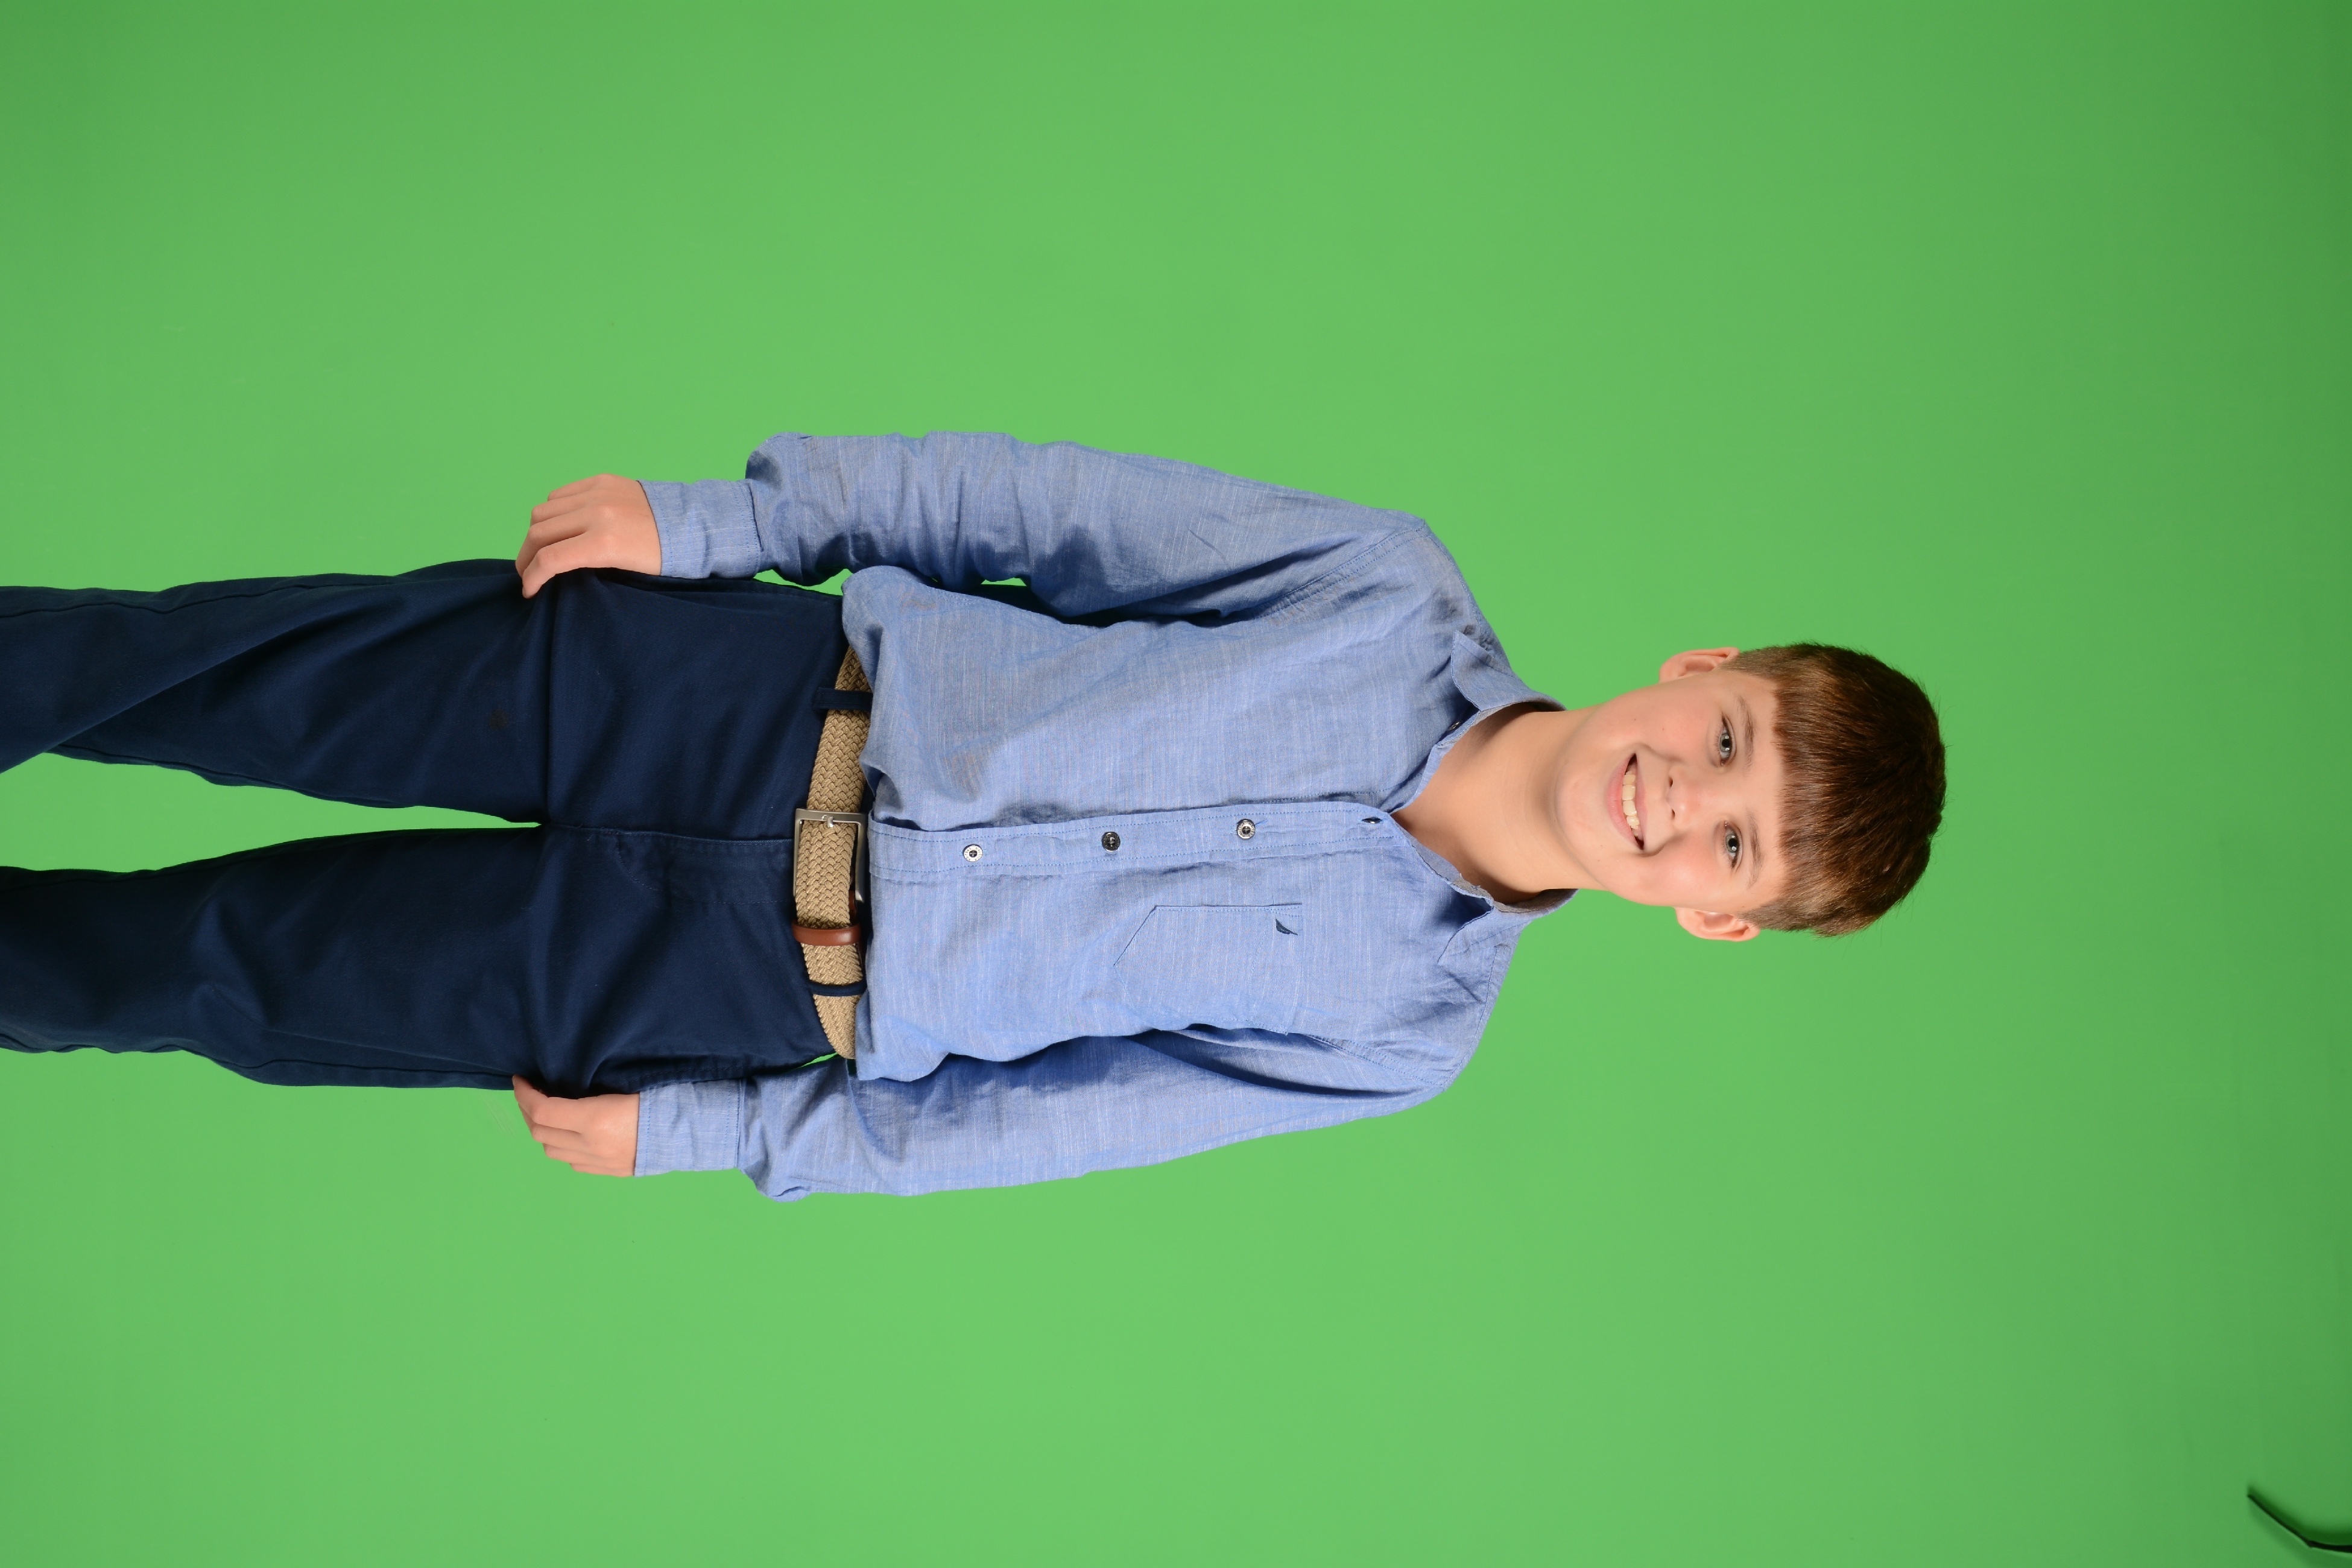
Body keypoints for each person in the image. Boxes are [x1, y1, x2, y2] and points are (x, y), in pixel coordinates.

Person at [0, 433, 1944, 1200]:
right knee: (204, 672)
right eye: (1725, 742)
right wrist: (725, 523)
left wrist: (718, 1129)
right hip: (735, 699)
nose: (1680, 800)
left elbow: (1043, 1123)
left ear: (1716, 917)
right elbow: (1040, 512)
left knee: (211, 973)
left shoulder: (1401, 1034)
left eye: (1733, 844)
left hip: (728, 986)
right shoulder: (1385, 589)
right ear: (1701, 668)